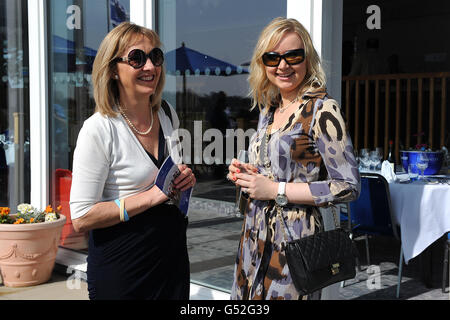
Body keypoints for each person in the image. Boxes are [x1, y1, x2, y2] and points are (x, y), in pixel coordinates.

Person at [227, 17, 360, 300]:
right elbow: (273, 169)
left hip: (295, 241)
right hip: (254, 234)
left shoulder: (322, 110)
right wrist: (247, 174)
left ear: (308, 60)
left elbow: (347, 186)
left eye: (293, 56)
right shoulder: (269, 107)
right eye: (273, 57)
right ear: (263, 63)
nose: (283, 65)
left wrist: (276, 190)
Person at [69, 22, 196, 300]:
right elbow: (81, 217)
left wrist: (182, 180)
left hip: (171, 257)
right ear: (113, 69)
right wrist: (151, 197)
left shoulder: (166, 113)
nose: (150, 66)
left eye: (156, 57)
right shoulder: (99, 129)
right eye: (137, 58)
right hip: (125, 266)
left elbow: (165, 179)